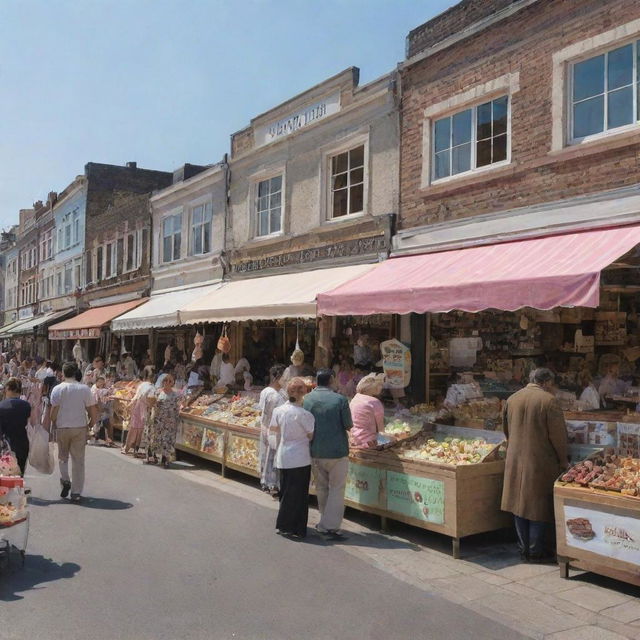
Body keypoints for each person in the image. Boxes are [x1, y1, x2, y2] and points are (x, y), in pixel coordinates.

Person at [501, 368, 568, 562]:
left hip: (515, 459)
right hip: (540, 460)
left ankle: (524, 548)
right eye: (552, 384)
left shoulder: (512, 399)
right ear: (546, 382)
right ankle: (536, 550)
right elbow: (559, 437)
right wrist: (563, 460)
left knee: (519, 505)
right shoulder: (549, 401)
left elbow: (506, 430)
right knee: (538, 505)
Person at [303, 368, 353, 538]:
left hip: (316, 449)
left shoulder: (307, 399)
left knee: (322, 488)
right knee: (337, 489)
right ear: (332, 379)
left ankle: (324, 521)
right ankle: (330, 526)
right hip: (337, 450)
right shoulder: (340, 400)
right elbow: (348, 424)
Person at [270, 377, 315, 538]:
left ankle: (284, 524)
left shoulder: (279, 411)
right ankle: (295, 526)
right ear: (303, 393)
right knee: (300, 494)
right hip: (300, 457)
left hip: (283, 454)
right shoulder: (305, 415)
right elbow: (310, 435)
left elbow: (273, 430)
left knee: (286, 490)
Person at [51, 362, 97, 502]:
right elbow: (92, 410)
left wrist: (54, 423)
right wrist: (90, 424)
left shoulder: (58, 389)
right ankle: (76, 492)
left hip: (63, 427)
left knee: (62, 457)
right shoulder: (84, 389)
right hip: (79, 427)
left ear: (63, 374)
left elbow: (53, 412)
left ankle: (65, 480)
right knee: (78, 460)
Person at [258, 364, 287, 495]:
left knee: (268, 456)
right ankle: (272, 484)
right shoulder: (273, 394)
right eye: (284, 377)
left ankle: (266, 482)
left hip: (267, 427)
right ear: (277, 378)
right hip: (272, 429)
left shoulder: (269, 392)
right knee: (272, 457)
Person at [145, 373, 180, 468]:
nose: (167, 383)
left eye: (170, 381)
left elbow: (178, 406)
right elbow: (150, 403)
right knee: (157, 438)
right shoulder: (158, 392)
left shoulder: (175, 394)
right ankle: (154, 456)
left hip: (170, 421)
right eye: (165, 381)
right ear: (162, 382)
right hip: (159, 420)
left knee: (167, 439)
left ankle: (165, 459)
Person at [0, 378, 32, 476]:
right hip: (22, 444)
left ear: (8, 388)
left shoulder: (1, 406)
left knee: (4, 476)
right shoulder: (26, 405)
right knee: (19, 474)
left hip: (5, 445)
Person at [123, 369, 155, 456]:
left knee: (133, 428)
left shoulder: (142, 385)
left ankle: (127, 447)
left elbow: (136, 396)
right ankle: (136, 449)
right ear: (152, 377)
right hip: (144, 408)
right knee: (140, 430)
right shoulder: (152, 387)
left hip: (136, 406)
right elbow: (150, 400)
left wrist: (130, 405)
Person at [349, 373, 385, 449]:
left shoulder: (355, 398)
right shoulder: (375, 402)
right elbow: (381, 430)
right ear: (374, 387)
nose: (381, 387)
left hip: (354, 439)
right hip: (369, 443)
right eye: (380, 385)